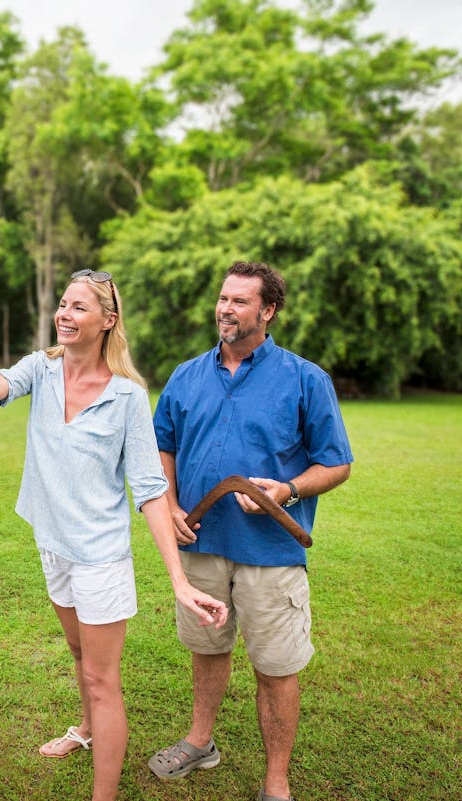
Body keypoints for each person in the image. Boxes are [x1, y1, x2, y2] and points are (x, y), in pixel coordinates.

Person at [0, 270, 227, 801]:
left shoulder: (127, 397)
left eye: (79, 307)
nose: (64, 314)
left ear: (108, 320)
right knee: (79, 654)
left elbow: (150, 490)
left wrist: (177, 580)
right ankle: (83, 730)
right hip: (54, 545)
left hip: (100, 559)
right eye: (62, 303)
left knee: (103, 680)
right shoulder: (44, 369)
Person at [147, 261, 353, 801]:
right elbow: (162, 445)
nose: (226, 309)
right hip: (201, 545)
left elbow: (337, 464)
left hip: (272, 552)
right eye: (222, 298)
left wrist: (286, 490)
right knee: (207, 648)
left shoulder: (306, 379)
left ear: (268, 310)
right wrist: (168, 505)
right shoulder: (186, 375)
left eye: (240, 301)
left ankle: (276, 781)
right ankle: (200, 742)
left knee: (276, 668)